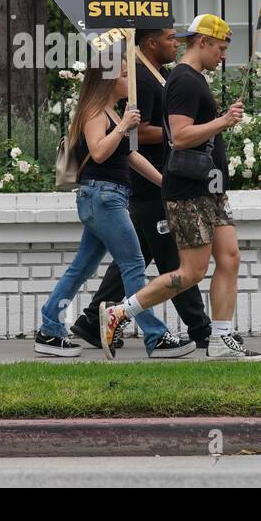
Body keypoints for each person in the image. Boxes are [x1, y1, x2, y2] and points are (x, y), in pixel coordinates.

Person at [101, 15, 261, 360]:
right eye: (220, 48)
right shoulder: (185, 81)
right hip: (190, 192)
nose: (223, 56)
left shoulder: (194, 79)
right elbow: (179, 135)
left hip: (211, 189)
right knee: (191, 272)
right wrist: (223, 121)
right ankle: (119, 312)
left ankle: (220, 338)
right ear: (202, 42)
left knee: (230, 258)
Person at [35, 57, 195, 358]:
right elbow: (98, 152)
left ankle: (49, 328)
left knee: (83, 267)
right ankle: (155, 336)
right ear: (108, 81)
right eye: (124, 75)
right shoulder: (96, 113)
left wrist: (165, 183)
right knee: (133, 265)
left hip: (107, 197)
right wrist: (123, 125)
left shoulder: (111, 112)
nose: (129, 81)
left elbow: (129, 157)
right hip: (103, 197)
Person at [70, 27, 212, 350]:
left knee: (131, 260)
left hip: (156, 182)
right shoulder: (141, 80)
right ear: (150, 43)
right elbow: (140, 132)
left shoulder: (158, 76)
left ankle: (93, 320)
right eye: (168, 39)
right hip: (146, 190)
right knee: (174, 260)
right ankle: (198, 328)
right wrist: (180, 132)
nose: (175, 44)